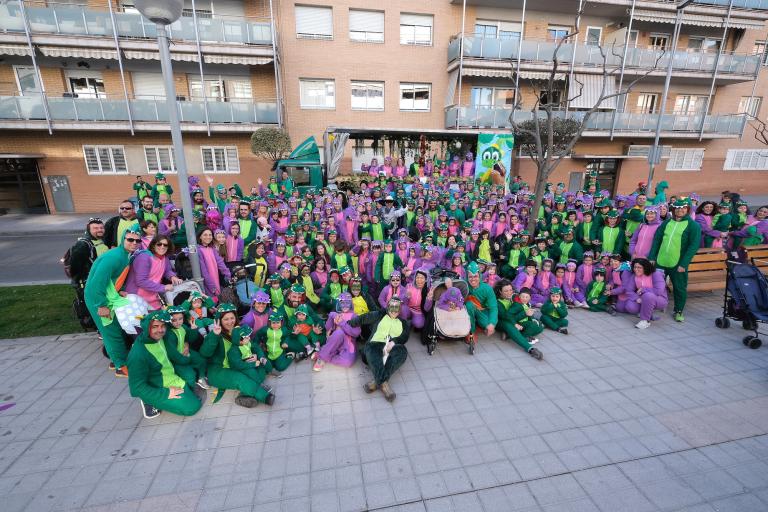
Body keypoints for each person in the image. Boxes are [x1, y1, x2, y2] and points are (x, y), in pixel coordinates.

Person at [84, 224, 142, 377]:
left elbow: (114, 278)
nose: (134, 243)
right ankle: (120, 366)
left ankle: (116, 359)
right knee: (111, 332)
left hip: (110, 296)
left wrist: (119, 289)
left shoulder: (125, 255)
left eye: (137, 241)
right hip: (99, 299)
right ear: (123, 239)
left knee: (117, 329)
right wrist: (101, 305)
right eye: (130, 240)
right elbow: (97, 282)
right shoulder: (114, 257)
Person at [127, 310, 203, 419]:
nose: (160, 330)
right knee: (192, 407)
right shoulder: (137, 354)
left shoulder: (162, 336)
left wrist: (186, 343)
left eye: (163, 326)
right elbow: (136, 388)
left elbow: (180, 335)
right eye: (155, 326)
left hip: (170, 375)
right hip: (158, 385)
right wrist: (166, 393)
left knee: (191, 381)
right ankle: (148, 401)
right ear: (147, 327)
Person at [200, 304, 275, 408]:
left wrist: (257, 356)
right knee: (241, 378)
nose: (230, 322)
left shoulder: (239, 330)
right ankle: (265, 397)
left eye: (232, 318)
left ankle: (243, 395)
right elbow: (205, 353)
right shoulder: (215, 334)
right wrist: (215, 335)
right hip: (220, 369)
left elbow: (254, 346)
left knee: (259, 370)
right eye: (226, 319)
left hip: (239, 363)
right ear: (220, 320)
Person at [648, 199, 702, 322]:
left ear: (687, 209)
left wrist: (684, 264)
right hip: (661, 261)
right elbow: (657, 240)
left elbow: (693, 246)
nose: (680, 210)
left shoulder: (693, 225)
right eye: (677, 208)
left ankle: (678, 310)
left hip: (678, 264)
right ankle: (651, 306)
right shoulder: (666, 222)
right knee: (655, 285)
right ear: (673, 209)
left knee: (679, 288)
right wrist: (652, 257)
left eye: (683, 208)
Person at [348, 297, 410, 402]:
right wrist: (347, 323)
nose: (394, 311)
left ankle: (376, 383)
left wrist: (393, 342)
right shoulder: (380, 315)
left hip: (390, 350)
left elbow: (405, 336)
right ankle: (384, 386)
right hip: (374, 347)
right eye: (391, 307)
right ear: (387, 307)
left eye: (396, 308)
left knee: (402, 350)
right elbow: (363, 318)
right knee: (370, 348)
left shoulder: (403, 322)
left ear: (400, 310)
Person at [125, 235, 182, 310]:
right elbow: (141, 281)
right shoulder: (144, 257)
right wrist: (164, 287)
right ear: (153, 245)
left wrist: (172, 276)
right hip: (137, 297)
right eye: (159, 244)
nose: (162, 247)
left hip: (153, 294)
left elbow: (167, 270)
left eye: (165, 245)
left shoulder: (164, 257)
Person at [495, 280, 543, 360]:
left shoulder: (515, 297)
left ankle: (509, 335)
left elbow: (525, 304)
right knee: (509, 325)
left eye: (510, 290)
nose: (509, 292)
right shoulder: (498, 302)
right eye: (506, 291)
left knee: (538, 327)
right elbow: (506, 317)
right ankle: (530, 349)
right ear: (500, 291)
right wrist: (518, 320)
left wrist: (531, 317)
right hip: (503, 322)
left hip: (517, 320)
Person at [616, 258, 668, 329]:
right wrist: (636, 298)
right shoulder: (635, 275)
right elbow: (629, 290)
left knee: (648, 296)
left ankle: (645, 321)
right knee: (630, 306)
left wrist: (644, 289)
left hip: (660, 299)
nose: (636, 269)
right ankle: (648, 313)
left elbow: (659, 290)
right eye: (635, 267)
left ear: (645, 267)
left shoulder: (656, 274)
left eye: (639, 267)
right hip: (642, 298)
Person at [314, 293, 361, 371]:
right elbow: (328, 328)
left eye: (347, 303)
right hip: (334, 342)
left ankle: (323, 355)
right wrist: (330, 316)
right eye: (342, 303)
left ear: (351, 304)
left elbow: (356, 333)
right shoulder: (336, 314)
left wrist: (342, 323)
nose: (345, 305)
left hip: (347, 344)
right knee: (339, 333)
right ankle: (322, 357)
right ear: (339, 304)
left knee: (348, 362)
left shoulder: (354, 316)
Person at [465, 261, 498, 336]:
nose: (473, 279)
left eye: (475, 276)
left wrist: (492, 323)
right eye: (470, 277)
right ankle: (471, 332)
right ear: (467, 277)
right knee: (469, 305)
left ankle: (477, 322)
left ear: (479, 276)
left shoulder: (487, 288)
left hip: (482, 311)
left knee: (488, 325)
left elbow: (493, 307)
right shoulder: (464, 285)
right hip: (468, 310)